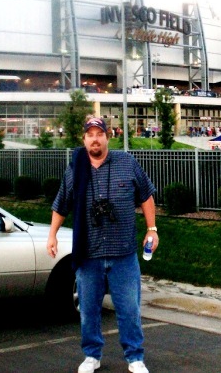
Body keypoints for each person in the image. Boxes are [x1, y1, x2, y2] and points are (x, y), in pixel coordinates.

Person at [46, 116, 158, 373]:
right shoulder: (76, 169)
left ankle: (135, 357)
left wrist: (152, 229)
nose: (95, 138)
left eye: (99, 133)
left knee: (129, 309)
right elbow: (61, 204)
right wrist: (52, 234)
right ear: (84, 139)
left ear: (108, 136)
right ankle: (91, 355)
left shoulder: (126, 163)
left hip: (123, 253)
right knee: (88, 309)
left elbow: (146, 196)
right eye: (90, 134)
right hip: (89, 254)